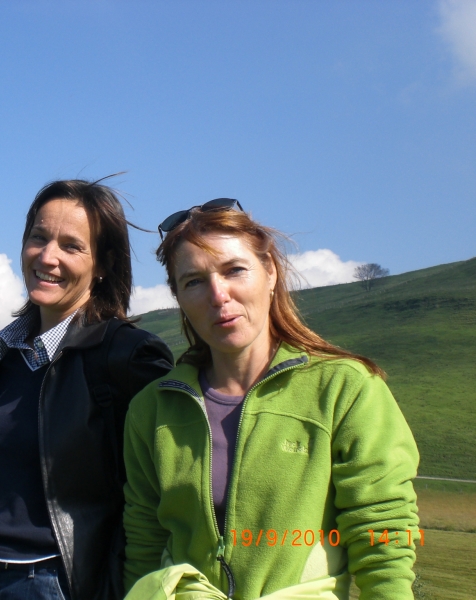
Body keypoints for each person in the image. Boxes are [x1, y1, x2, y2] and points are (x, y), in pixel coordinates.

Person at [123, 199, 420, 600]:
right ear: (178, 297)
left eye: (234, 270)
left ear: (270, 273)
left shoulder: (344, 388)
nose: (218, 294)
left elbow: (382, 531)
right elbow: (144, 541)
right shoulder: (152, 408)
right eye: (193, 281)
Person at [0, 179, 174, 600]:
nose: (47, 256)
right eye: (38, 237)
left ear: (103, 264)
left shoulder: (127, 356)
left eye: (71, 246)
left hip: (53, 583)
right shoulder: (3, 351)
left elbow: (158, 495)